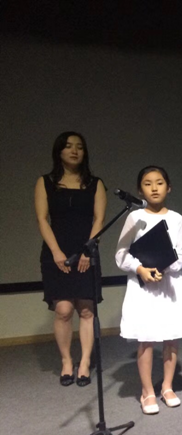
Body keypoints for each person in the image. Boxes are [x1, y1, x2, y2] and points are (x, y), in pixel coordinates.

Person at [115, 166, 182, 414]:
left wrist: (163, 266)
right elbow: (121, 254)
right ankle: (147, 391)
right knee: (146, 338)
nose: (154, 188)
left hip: (169, 283)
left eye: (159, 183)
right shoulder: (134, 217)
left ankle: (167, 386)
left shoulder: (176, 218)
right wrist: (140, 269)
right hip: (144, 287)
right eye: (147, 183)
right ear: (140, 190)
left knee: (171, 337)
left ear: (168, 188)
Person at [35, 131, 107, 387]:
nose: (74, 151)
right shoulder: (45, 182)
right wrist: (56, 252)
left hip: (87, 250)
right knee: (64, 310)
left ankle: (85, 362)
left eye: (79, 147)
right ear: (59, 152)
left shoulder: (95, 183)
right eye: (68, 146)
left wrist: (88, 250)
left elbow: (99, 219)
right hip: (56, 251)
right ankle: (67, 361)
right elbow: (42, 219)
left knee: (86, 309)